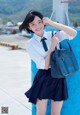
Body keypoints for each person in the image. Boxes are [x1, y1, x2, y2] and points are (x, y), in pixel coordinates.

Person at [19, 10, 77, 115]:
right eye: (33, 24)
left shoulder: (53, 34)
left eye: (39, 22)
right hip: (43, 77)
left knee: (56, 113)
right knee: (41, 113)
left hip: (58, 75)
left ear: (43, 22)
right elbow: (45, 66)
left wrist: (52, 23)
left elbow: (73, 33)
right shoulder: (30, 44)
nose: (37, 26)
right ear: (29, 27)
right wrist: (52, 46)